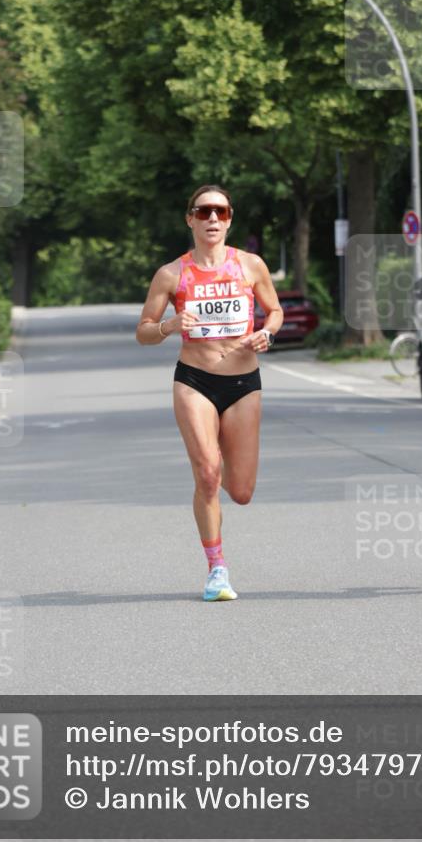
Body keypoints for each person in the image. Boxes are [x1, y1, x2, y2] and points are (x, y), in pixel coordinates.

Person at [136, 185, 284, 601]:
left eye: (220, 212)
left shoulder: (250, 265)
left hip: (242, 383)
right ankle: (217, 569)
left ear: (230, 218)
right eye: (204, 212)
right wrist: (170, 326)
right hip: (194, 380)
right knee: (207, 473)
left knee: (240, 491)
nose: (212, 219)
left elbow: (274, 311)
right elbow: (143, 331)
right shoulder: (172, 274)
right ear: (191, 219)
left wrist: (266, 334)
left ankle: (219, 515)